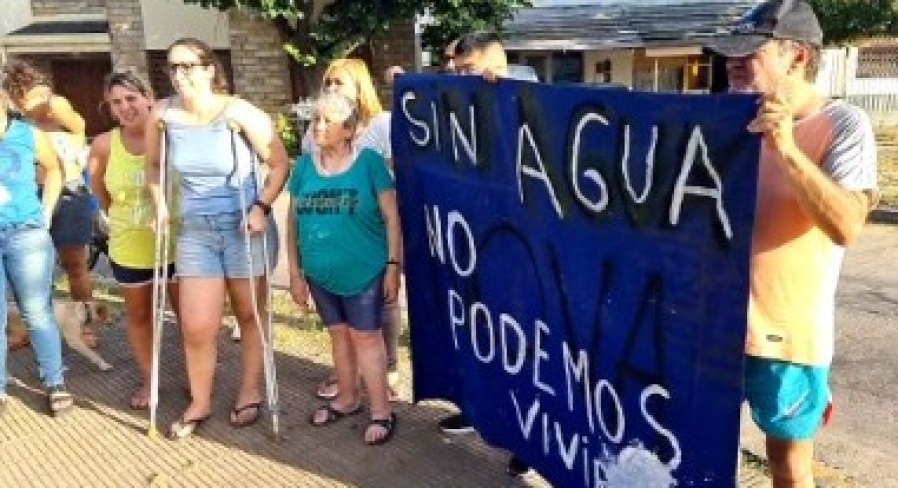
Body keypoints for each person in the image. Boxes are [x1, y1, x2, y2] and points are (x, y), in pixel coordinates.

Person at [705, 1, 879, 486]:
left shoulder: (844, 124)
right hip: (707, 327)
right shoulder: (721, 121)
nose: (732, 63)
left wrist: (786, 148)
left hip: (784, 340)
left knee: (787, 465)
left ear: (797, 56)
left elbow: (846, 224)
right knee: (693, 443)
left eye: (749, 53)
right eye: (730, 54)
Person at [145, 37, 290, 439]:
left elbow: (278, 164)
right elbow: (154, 167)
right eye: (172, 67)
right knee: (196, 324)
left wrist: (260, 206)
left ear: (210, 69)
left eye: (188, 66)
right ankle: (201, 401)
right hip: (196, 232)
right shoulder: (162, 115)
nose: (179, 75)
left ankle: (249, 390)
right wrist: (159, 204)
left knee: (249, 315)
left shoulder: (239, 112)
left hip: (243, 226)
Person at [287, 92, 400, 445]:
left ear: (349, 129)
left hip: (365, 269)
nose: (317, 127)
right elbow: (292, 222)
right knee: (337, 334)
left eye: (327, 121)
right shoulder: (304, 166)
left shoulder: (369, 163)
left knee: (366, 336)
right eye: (315, 120)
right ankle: (348, 398)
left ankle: (381, 410)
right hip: (320, 273)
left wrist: (394, 265)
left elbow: (391, 216)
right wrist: (294, 272)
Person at [302, 58, 404, 403]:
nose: (331, 88)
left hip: (371, 231)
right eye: (328, 82)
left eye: (340, 83)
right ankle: (348, 383)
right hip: (331, 241)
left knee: (379, 314)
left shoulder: (382, 126)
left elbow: (395, 179)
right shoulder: (315, 133)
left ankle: (384, 373)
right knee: (341, 330)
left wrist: (393, 259)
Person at [87, 71, 180, 410]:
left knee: (188, 316)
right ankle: (150, 380)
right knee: (140, 316)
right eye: (116, 102)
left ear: (149, 99)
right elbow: (101, 192)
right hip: (130, 246)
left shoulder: (173, 135)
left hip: (178, 244)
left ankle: (196, 378)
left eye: (131, 98)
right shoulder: (103, 145)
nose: (125, 107)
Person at [2, 60, 96, 342]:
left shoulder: (56, 106)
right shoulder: (16, 119)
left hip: (68, 193)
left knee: (75, 264)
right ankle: (33, 328)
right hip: (31, 192)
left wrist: (43, 108)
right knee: (27, 268)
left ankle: (87, 325)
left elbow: (77, 123)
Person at [0, 87, 74, 416]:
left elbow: (55, 169)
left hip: (25, 234)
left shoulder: (27, 134)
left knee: (36, 311)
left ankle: (54, 382)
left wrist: (45, 214)